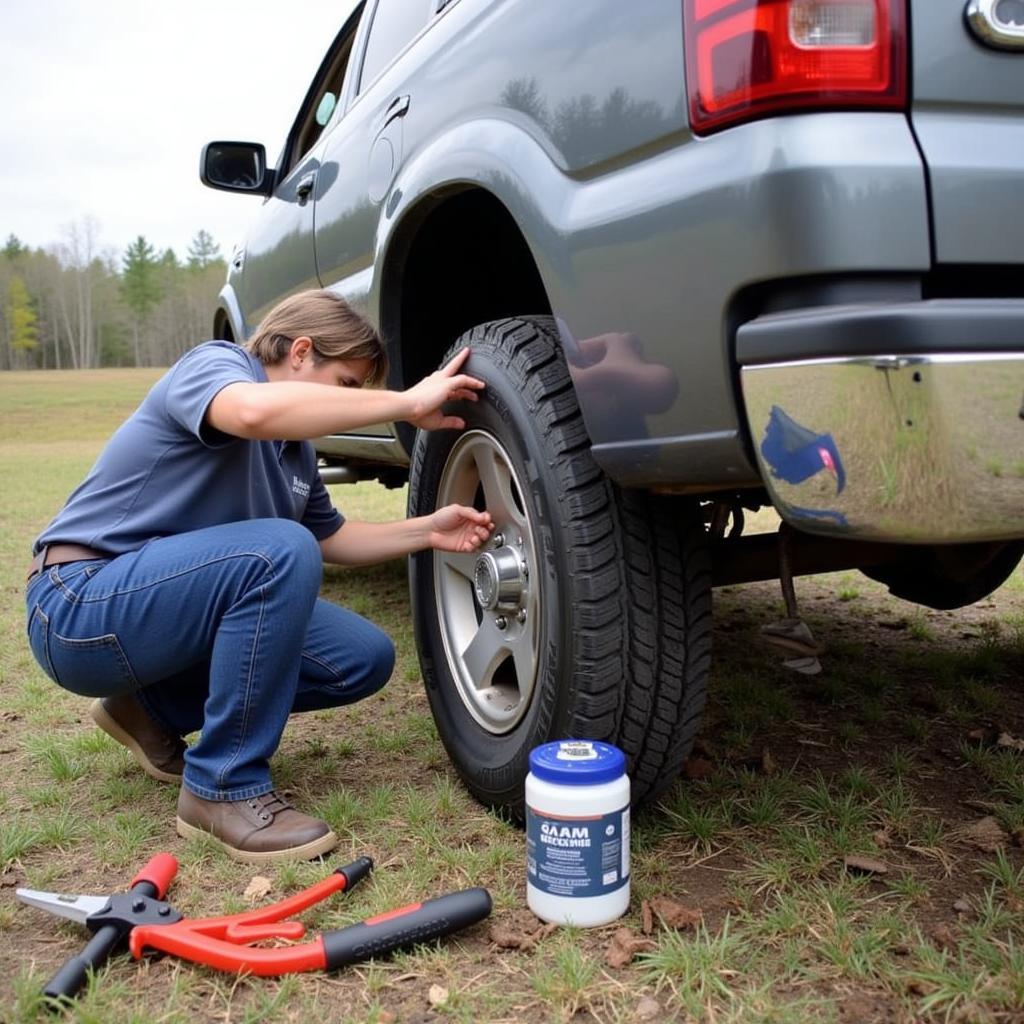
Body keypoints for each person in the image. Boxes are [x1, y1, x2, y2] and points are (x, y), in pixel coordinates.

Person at [25, 290, 493, 863]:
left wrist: (427, 531)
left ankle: (149, 709)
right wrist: (403, 403)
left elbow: (331, 539)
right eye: (348, 384)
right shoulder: (216, 366)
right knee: (278, 550)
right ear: (300, 353)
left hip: (148, 614)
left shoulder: (293, 452)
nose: (352, 403)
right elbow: (250, 413)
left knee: (361, 657)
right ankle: (222, 788)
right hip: (78, 602)